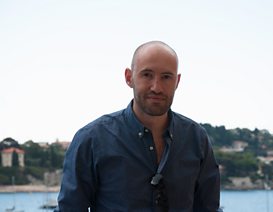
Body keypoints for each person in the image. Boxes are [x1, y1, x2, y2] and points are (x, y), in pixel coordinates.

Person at [55, 41, 222, 211]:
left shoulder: (197, 139)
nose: (156, 87)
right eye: (147, 75)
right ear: (129, 77)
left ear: (177, 81)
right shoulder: (91, 140)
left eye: (166, 77)